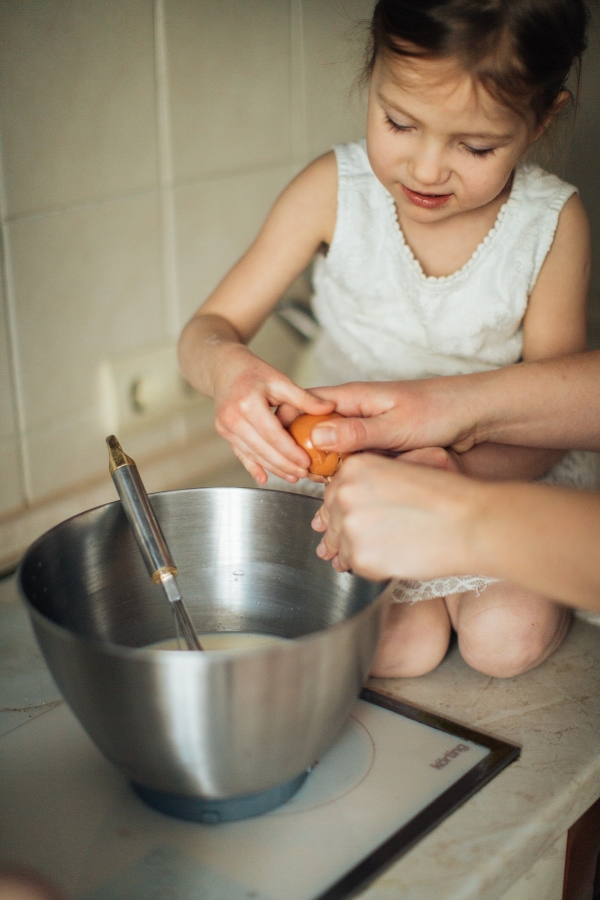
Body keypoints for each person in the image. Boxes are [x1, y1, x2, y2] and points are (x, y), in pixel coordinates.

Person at [179, 0, 596, 679]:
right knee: (402, 643)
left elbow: (551, 420)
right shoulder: (330, 190)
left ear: (544, 118)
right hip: (343, 486)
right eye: (399, 122)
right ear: (372, 77)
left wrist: (452, 481)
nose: (427, 170)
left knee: (503, 640)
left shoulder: (552, 223)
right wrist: (227, 370)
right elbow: (206, 330)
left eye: (476, 146)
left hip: (494, 477)